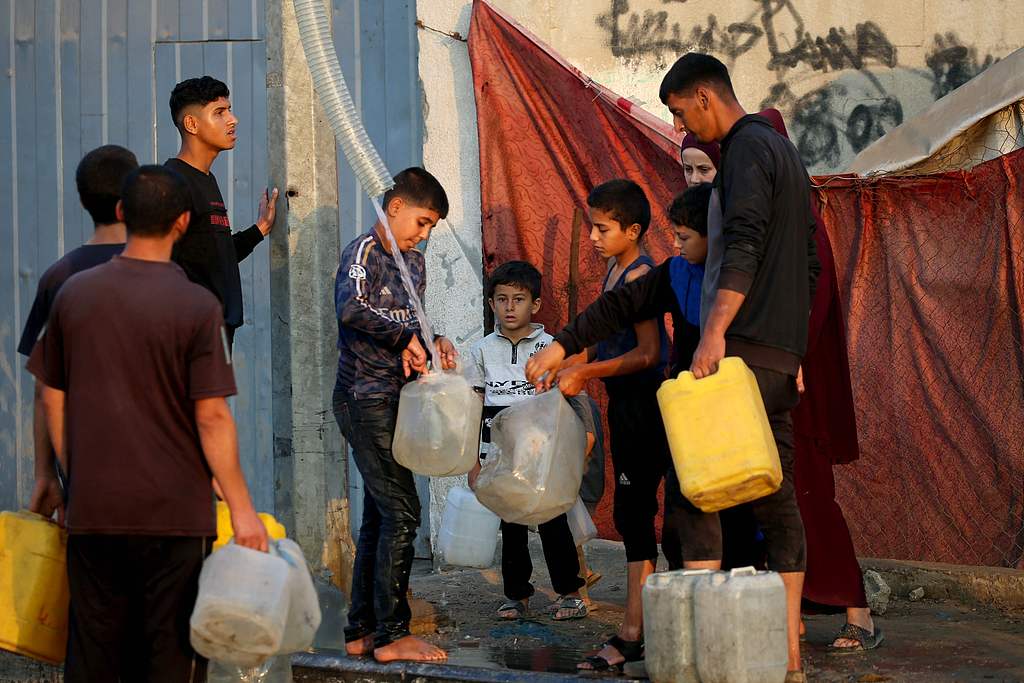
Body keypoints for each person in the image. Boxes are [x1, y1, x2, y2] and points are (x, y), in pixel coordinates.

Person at [527, 53, 820, 682]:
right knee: (775, 497)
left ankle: (704, 656)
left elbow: (741, 243)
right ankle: (788, 659)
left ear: (706, 97)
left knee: (696, 497)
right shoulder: (788, 157)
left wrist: (712, 333)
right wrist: (795, 352)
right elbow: (807, 264)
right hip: (774, 359)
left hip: (736, 360)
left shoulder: (744, 150)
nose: (685, 127)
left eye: (682, 112)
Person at [27, 165, 269, 681]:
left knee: (93, 652)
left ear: (121, 213)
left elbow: (51, 395)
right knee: (171, 655)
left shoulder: (76, 294)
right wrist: (242, 509)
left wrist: (60, 475)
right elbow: (211, 416)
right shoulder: (196, 305)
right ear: (183, 222)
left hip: (95, 511)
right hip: (175, 514)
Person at [755, 108, 881, 652]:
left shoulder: (802, 219)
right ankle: (793, 615)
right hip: (764, 377)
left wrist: (788, 356)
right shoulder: (762, 217)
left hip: (797, 382)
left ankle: (859, 611)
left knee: (809, 495)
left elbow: (815, 298)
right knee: (776, 499)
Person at [332, 167, 457, 664]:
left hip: (396, 400)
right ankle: (392, 634)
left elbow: (414, 321)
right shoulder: (364, 253)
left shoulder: (415, 265)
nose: (423, 235)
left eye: (431, 229)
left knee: (380, 517)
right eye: (422, 222)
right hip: (363, 399)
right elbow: (352, 308)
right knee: (405, 514)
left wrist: (433, 340)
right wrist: (403, 339)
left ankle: (361, 631)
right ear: (396, 206)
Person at [549, 180, 669, 671]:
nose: (594, 238)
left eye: (603, 229)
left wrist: (585, 371)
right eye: (593, 228)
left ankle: (634, 632)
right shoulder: (614, 272)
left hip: (646, 410)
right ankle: (638, 628)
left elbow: (646, 353)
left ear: (633, 230)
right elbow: (608, 339)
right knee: (630, 516)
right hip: (623, 408)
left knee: (637, 518)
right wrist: (571, 360)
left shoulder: (641, 277)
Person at [466, 260, 597, 623]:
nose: (510, 307)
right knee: (512, 527)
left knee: (554, 522)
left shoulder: (551, 347)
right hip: (501, 457)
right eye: (502, 299)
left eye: (519, 299)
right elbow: (473, 407)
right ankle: (516, 596)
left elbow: (574, 398)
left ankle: (570, 594)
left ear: (535, 305)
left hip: (543, 456)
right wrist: (472, 462)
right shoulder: (481, 351)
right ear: (491, 303)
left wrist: (584, 440)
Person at [18, 145, 139, 524]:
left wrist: (45, 473)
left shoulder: (58, 275)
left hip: (85, 466)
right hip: (158, 465)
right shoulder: (165, 271)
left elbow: (44, 387)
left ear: (83, 201)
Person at [166, 76, 278, 349]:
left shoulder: (206, 179)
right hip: (192, 333)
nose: (233, 119)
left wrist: (259, 229)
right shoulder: (172, 183)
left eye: (229, 109)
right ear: (191, 124)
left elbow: (214, 255)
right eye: (220, 112)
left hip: (218, 330)